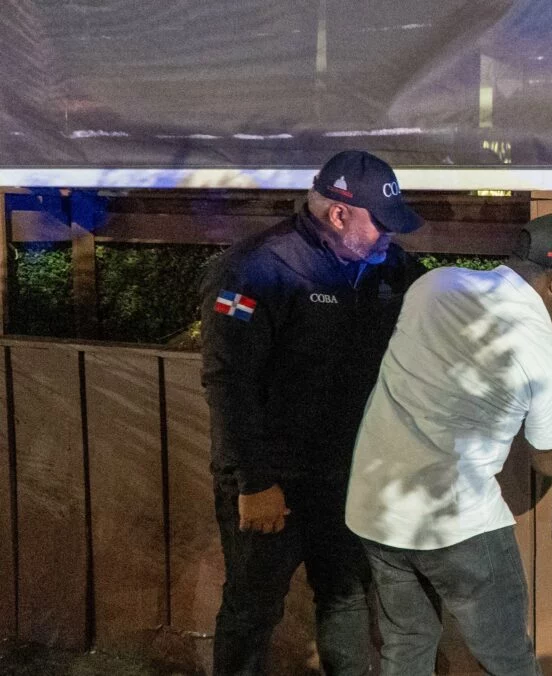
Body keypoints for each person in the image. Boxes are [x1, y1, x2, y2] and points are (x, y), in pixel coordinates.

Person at [345, 214, 552, 676]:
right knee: (508, 660)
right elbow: (547, 459)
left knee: (405, 645)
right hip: (458, 526)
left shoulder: (435, 286)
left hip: (374, 508)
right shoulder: (543, 354)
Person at [201, 150, 426, 675]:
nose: (390, 237)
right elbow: (229, 382)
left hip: (349, 477)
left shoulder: (391, 267)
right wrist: (254, 482)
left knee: (346, 598)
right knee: (252, 609)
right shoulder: (256, 268)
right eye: (382, 225)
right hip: (272, 477)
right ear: (340, 214)